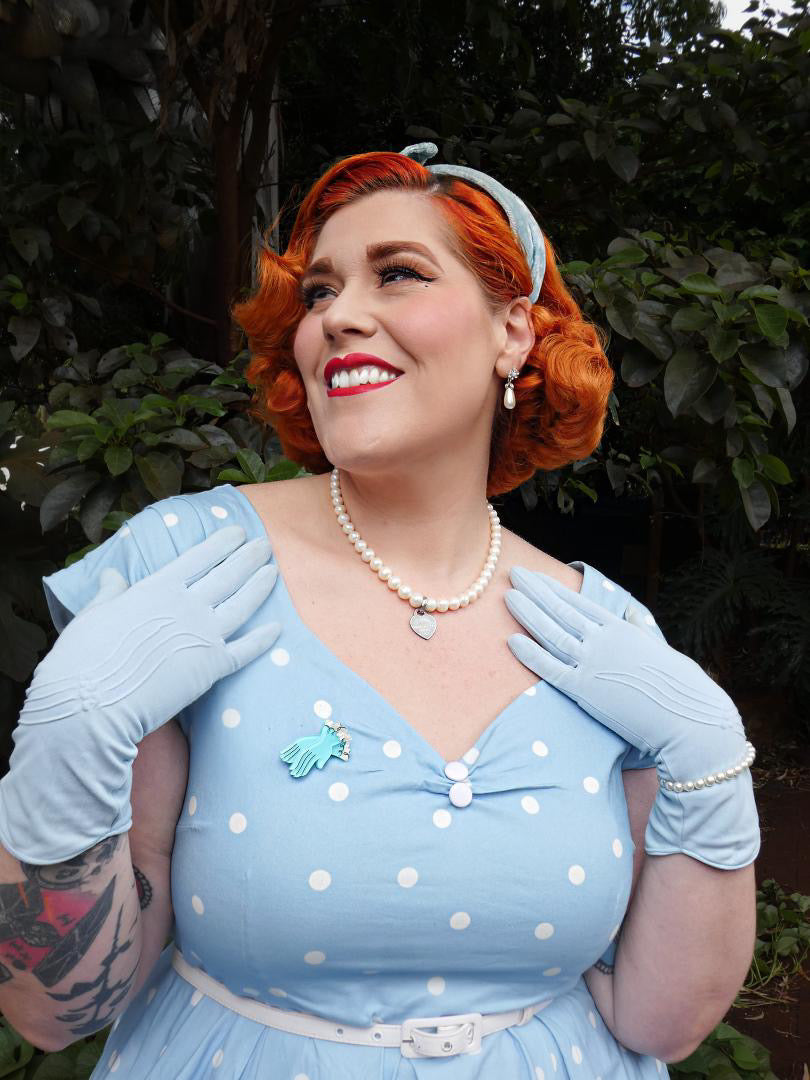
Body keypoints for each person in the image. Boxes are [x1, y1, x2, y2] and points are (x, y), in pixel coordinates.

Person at [0, 143, 759, 1078]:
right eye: (320, 292)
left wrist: (710, 764)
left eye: (398, 273)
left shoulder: (608, 636)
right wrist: (68, 736)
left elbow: (661, 1025)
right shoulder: (192, 563)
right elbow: (54, 1012)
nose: (338, 316)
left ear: (513, 333)